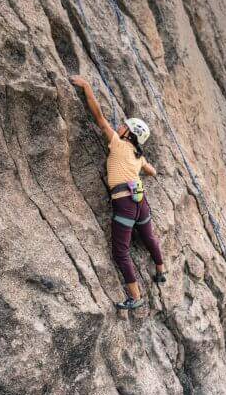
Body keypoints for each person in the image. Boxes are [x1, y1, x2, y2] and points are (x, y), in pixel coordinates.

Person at [71, 76, 166, 311]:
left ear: (129, 134)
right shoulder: (137, 154)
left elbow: (99, 117)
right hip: (140, 200)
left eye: (125, 126)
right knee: (148, 235)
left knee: (120, 252)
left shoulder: (118, 142)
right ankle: (160, 270)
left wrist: (87, 87)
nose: (120, 126)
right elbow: (152, 171)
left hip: (124, 203)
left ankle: (135, 296)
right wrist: (144, 169)